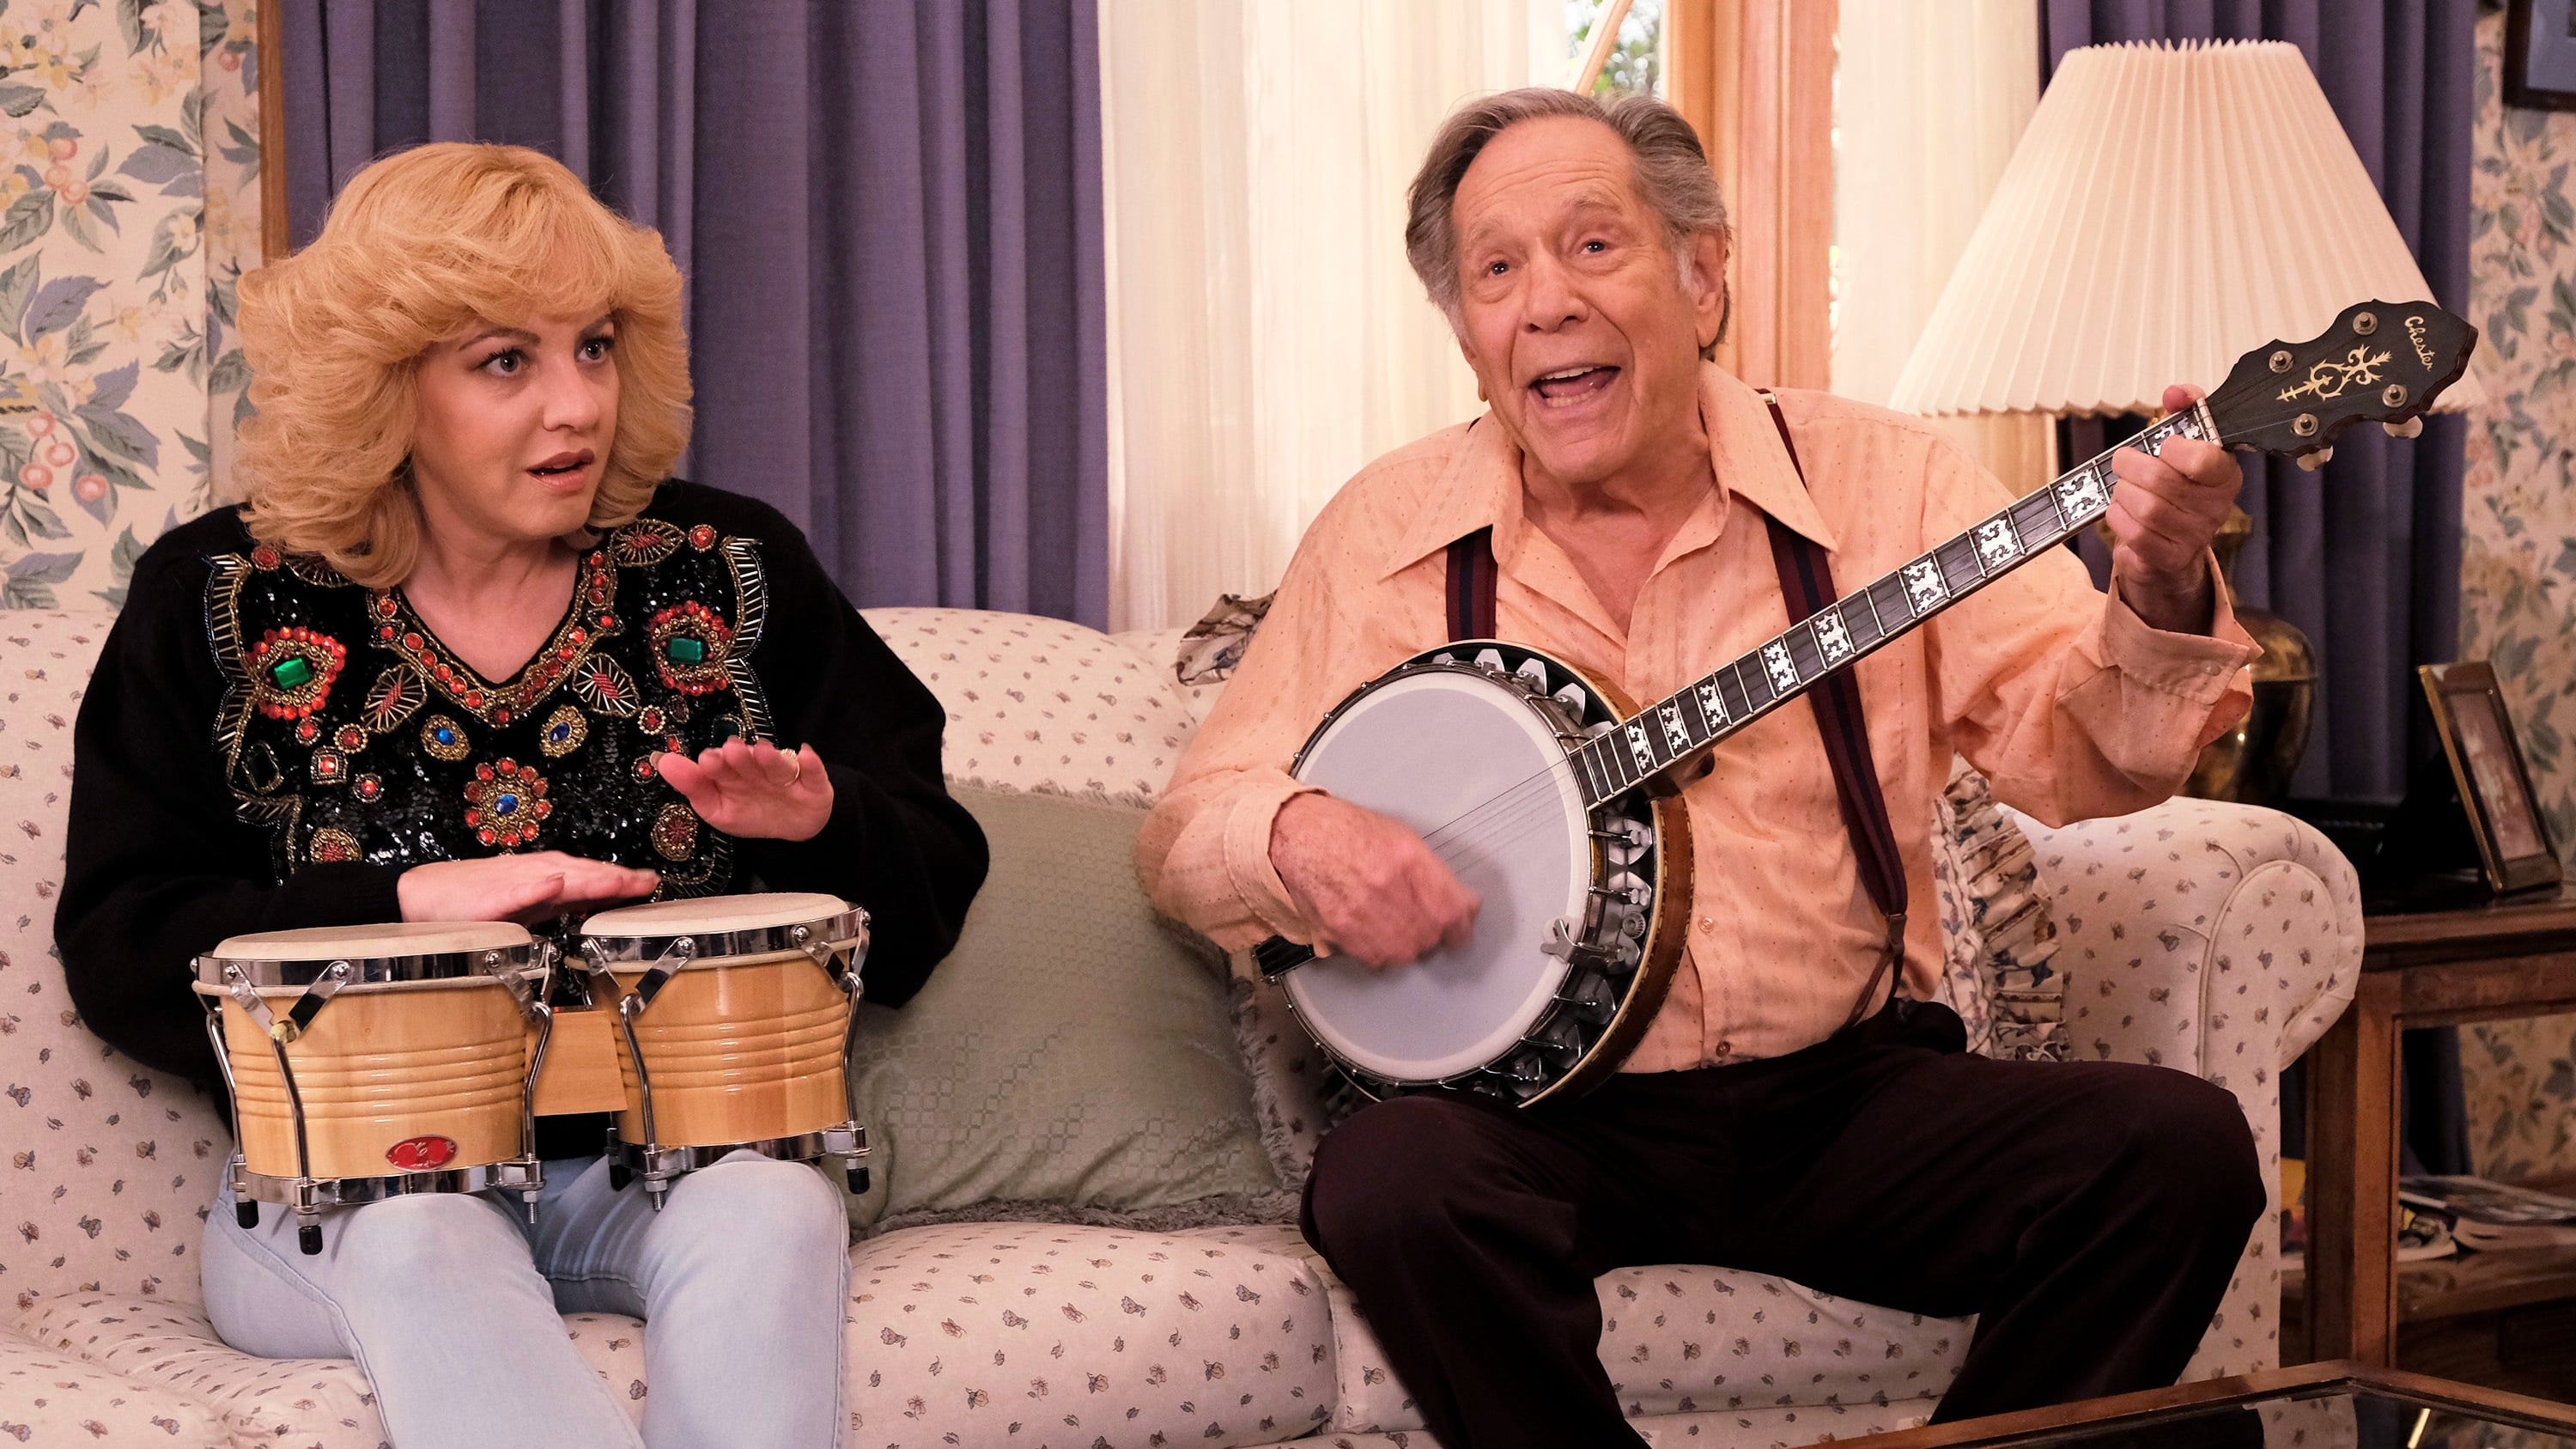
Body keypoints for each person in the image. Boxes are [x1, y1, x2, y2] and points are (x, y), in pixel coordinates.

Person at [1137, 88, 2268, 1447]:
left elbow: (2088, 762)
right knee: (1392, 1182)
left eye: (1592, 245)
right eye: (1497, 271)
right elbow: (1188, 829)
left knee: (2179, 1152)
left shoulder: (1889, 484)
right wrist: (1301, 836)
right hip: (1539, 1121)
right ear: (1467, 335)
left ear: (1703, 275)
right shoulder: (1384, 534)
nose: (1546, 304)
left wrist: (2161, 577)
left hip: (1844, 1098)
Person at [55, 143, 988, 1449]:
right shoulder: (219, 594)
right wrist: (404, 903)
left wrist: (823, 828)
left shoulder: (727, 568)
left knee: (774, 1202)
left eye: (594, 348)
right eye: (507, 362)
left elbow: (932, 875)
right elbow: (121, 941)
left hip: (657, 1163)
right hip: (349, 1189)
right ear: (387, 383)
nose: (576, 405)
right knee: (425, 1232)